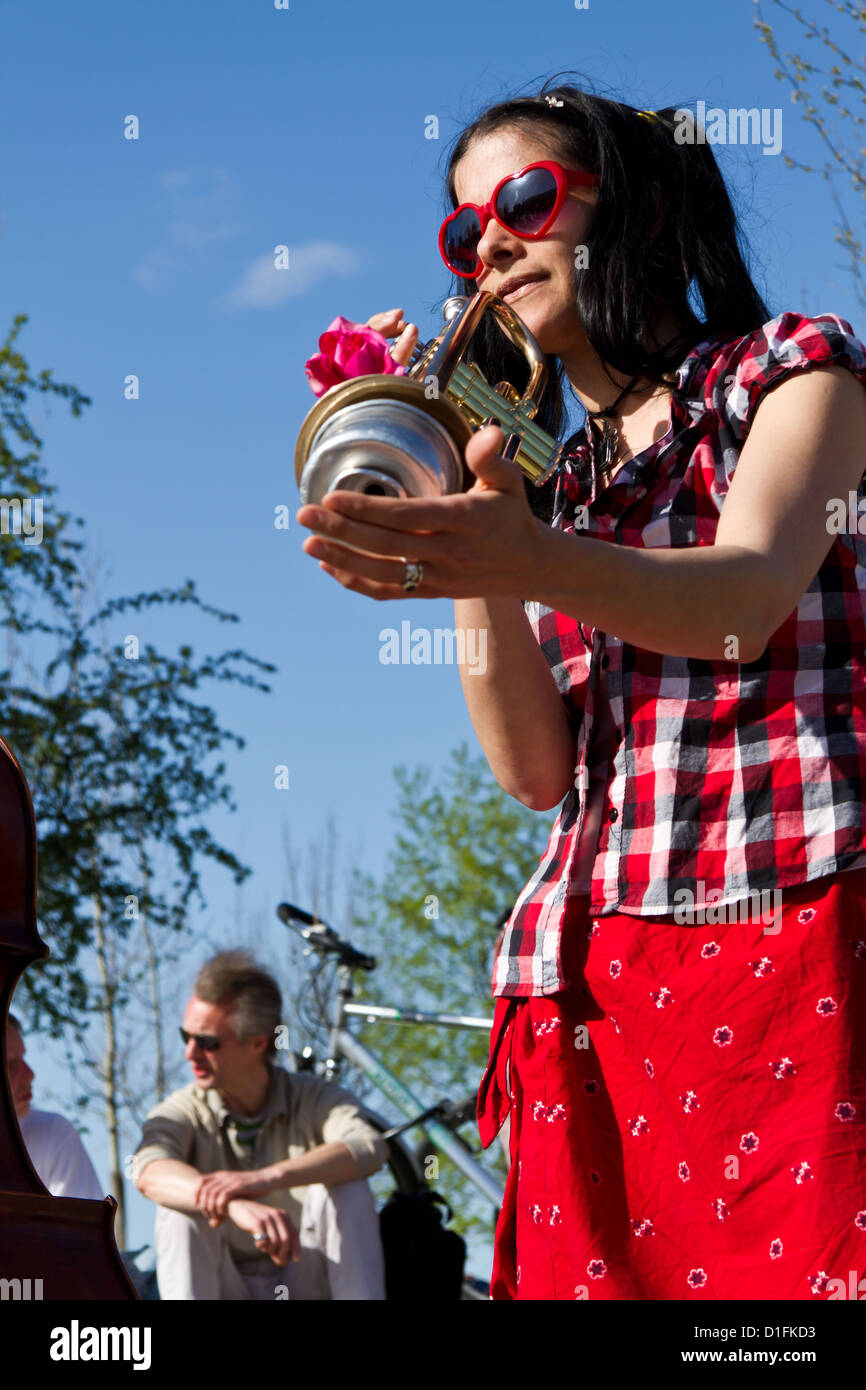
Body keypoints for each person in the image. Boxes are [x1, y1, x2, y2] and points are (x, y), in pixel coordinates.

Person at [295, 79, 866, 1301]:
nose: (487, 242)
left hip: (787, 940)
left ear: (641, 206)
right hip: (589, 979)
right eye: (462, 231)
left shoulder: (791, 373)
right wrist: (461, 524)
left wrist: (524, 552)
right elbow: (533, 771)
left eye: (522, 198)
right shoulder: (550, 488)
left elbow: (741, 597)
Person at [131, 949, 388, 1300]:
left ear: (258, 1043)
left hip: (307, 1276)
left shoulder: (314, 1098)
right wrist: (233, 1204)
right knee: (180, 1212)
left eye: (207, 1042)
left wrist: (263, 1179)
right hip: (225, 1285)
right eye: (185, 1036)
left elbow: (369, 1147)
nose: (190, 1052)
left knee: (348, 1189)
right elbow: (148, 1170)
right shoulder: (184, 1107)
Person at [5, 1013, 104, 1200]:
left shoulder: (53, 1134)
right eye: (9, 1065)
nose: (30, 1074)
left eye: (23, 1057)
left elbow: (78, 1228)